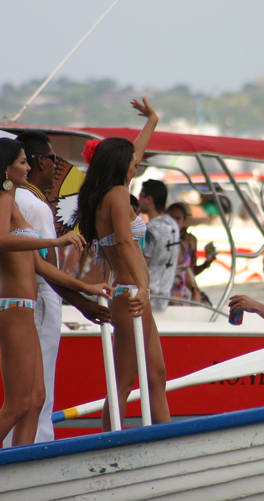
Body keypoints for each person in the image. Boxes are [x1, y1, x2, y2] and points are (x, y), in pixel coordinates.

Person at [0, 137, 111, 452]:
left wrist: (85, 288)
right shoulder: (3, 197)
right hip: (13, 309)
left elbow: (39, 266)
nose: (28, 167)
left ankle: (19, 465)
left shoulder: (10, 200)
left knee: (36, 400)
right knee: (18, 404)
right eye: (22, 162)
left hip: (21, 308)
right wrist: (56, 242)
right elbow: (0, 240)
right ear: (6, 168)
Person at [8, 130, 112, 445]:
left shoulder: (6, 200)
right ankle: (34, 453)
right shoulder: (35, 207)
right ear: (40, 161)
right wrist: (84, 301)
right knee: (39, 392)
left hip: (13, 301)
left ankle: (9, 455)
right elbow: (47, 267)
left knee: (20, 391)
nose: (57, 166)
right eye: (54, 159)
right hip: (39, 301)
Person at [76, 97, 171, 431]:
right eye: (132, 162)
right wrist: (145, 287)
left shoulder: (114, 190)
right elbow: (126, 242)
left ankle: (166, 440)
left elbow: (137, 151)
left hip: (131, 292)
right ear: (120, 166)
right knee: (124, 383)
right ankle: (109, 444)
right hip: (130, 293)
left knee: (156, 376)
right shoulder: (117, 194)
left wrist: (153, 120)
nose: (137, 163)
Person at [138, 179, 180, 311]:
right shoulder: (173, 225)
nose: (139, 200)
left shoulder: (150, 229)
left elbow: (141, 265)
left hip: (147, 299)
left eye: (141, 196)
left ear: (149, 199)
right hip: (164, 298)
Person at [166, 202, 214, 305]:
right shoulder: (182, 241)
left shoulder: (189, 241)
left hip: (184, 288)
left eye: (178, 219)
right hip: (173, 290)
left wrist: (206, 264)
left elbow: (189, 270)